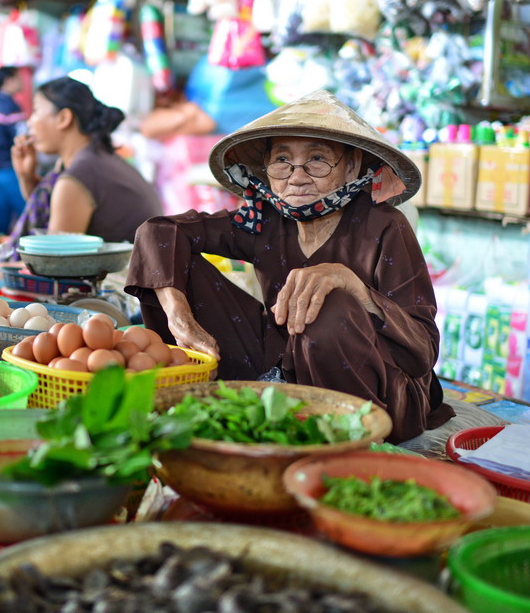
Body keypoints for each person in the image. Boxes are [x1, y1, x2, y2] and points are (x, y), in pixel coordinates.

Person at [125, 91, 454, 443]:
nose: (296, 176)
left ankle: (343, 434)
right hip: (283, 367)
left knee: (334, 304)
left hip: (379, 391)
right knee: (174, 261)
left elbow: (423, 347)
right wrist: (179, 317)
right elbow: (160, 231)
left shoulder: (385, 227)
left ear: (352, 166)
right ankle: (251, 398)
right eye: (282, 160)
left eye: (317, 159)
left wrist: (353, 287)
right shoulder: (266, 218)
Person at [9, 77, 162, 246]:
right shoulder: (95, 157)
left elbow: (56, 259)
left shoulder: (79, 176)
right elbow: (50, 210)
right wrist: (27, 177)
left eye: (36, 111)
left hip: (126, 272)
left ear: (63, 118)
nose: (29, 122)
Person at [0, 67, 27, 233]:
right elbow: (22, 138)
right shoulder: (9, 106)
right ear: (9, 80)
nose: (22, 82)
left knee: (1, 222)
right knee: (26, 219)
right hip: (10, 170)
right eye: (19, 78)